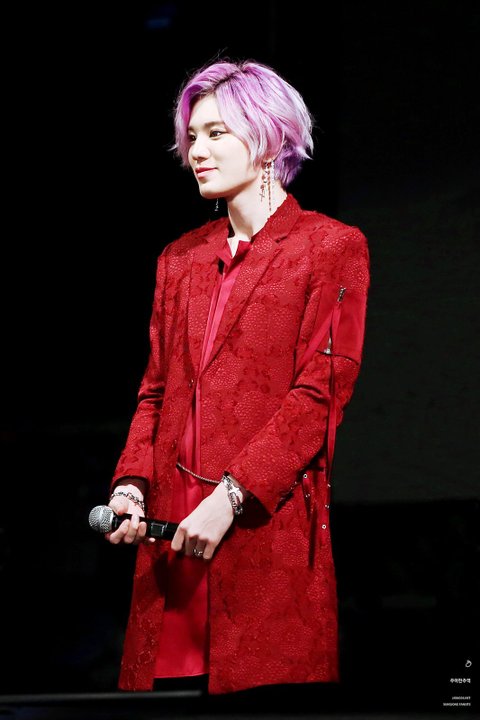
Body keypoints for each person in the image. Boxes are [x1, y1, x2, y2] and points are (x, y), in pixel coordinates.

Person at [104, 57, 370, 697]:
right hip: (170, 539)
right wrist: (132, 487)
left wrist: (228, 499)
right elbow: (155, 392)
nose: (196, 150)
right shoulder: (179, 260)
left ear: (270, 138)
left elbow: (319, 395)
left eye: (216, 133)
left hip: (258, 530)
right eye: (192, 136)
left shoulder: (330, 247)